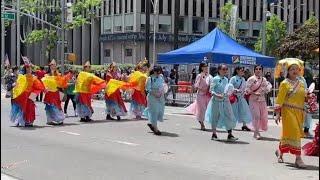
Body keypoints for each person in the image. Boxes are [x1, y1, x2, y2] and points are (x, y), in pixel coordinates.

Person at [274, 59, 307, 168]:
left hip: (299, 112)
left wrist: (309, 99)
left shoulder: (301, 83)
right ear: (288, 71)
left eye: (296, 69)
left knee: (288, 134)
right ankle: (298, 158)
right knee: (295, 133)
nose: (294, 71)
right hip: (288, 112)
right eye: (292, 69)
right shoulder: (285, 83)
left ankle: (280, 152)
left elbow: (304, 97)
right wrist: (278, 113)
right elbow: (280, 99)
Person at [205, 64, 238, 141]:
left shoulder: (226, 79)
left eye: (226, 69)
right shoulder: (215, 79)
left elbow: (227, 89)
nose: (225, 71)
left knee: (229, 116)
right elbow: (211, 90)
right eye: (223, 69)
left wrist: (234, 90)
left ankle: (230, 134)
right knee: (215, 117)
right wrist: (217, 95)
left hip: (225, 101)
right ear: (219, 70)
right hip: (216, 101)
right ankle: (214, 134)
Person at [10, 62, 45, 127]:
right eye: (27, 69)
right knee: (22, 108)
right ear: (25, 70)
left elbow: (38, 86)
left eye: (30, 68)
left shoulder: (34, 77)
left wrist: (43, 90)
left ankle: (29, 121)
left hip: (31, 95)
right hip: (23, 95)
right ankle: (21, 121)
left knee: (30, 108)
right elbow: (18, 85)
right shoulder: (22, 77)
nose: (29, 70)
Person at [245, 65, 272, 139]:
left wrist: (268, 89)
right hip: (253, 100)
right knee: (256, 116)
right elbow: (246, 90)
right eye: (256, 69)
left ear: (262, 70)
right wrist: (254, 93)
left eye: (260, 69)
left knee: (263, 116)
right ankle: (256, 132)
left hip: (262, 100)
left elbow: (267, 87)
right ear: (254, 70)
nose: (258, 70)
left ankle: (257, 131)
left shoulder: (264, 79)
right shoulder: (251, 79)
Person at [42, 60, 71, 125]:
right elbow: (43, 84)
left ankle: (59, 119)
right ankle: (50, 120)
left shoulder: (58, 75)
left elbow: (62, 83)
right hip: (49, 93)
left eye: (54, 66)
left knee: (56, 106)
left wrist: (65, 85)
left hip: (55, 93)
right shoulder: (46, 75)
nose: (53, 67)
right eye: (52, 65)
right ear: (49, 66)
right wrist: (44, 88)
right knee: (49, 107)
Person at [186, 62, 211, 130]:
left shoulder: (209, 76)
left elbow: (211, 84)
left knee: (207, 109)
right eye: (205, 66)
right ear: (201, 67)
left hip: (207, 95)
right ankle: (202, 124)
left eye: (207, 66)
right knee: (201, 109)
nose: (206, 67)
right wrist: (201, 88)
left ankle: (204, 121)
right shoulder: (199, 75)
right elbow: (196, 86)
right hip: (200, 94)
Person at [145, 65, 166, 135]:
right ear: (154, 71)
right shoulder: (149, 78)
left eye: (160, 72)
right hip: (152, 97)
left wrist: (162, 92)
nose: (158, 73)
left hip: (160, 96)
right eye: (157, 71)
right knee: (154, 111)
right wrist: (155, 94)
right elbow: (148, 89)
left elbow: (163, 85)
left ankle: (151, 123)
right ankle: (156, 128)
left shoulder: (161, 77)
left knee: (160, 110)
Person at [230, 66, 252, 131]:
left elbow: (245, 88)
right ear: (237, 71)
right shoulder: (233, 78)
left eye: (243, 71)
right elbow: (230, 87)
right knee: (233, 112)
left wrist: (246, 91)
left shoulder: (243, 79)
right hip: (235, 97)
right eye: (242, 70)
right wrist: (236, 90)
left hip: (242, 98)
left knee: (244, 111)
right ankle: (231, 124)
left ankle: (244, 125)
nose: (243, 72)